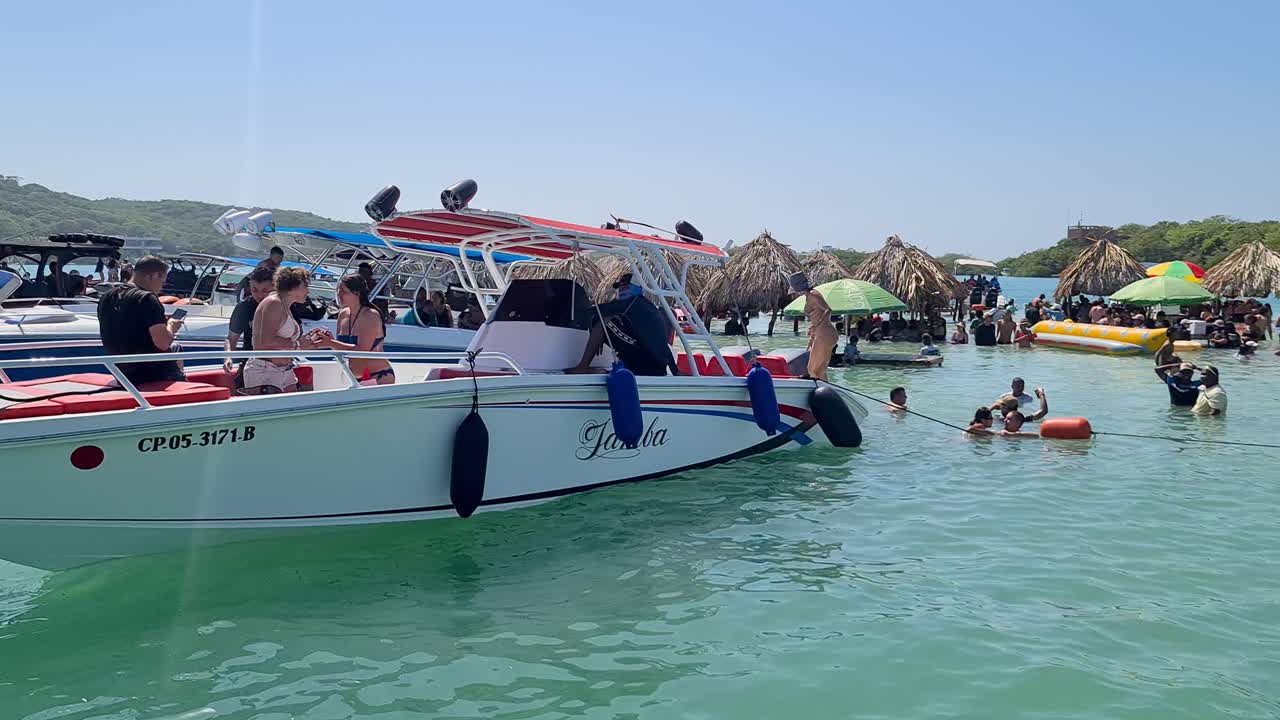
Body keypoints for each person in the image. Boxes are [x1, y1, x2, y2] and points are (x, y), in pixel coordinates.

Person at [96, 256, 186, 385]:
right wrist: (171, 326)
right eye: (162, 282)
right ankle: (178, 388)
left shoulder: (107, 297)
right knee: (175, 347)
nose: (162, 287)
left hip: (122, 372)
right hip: (152, 373)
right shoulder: (147, 299)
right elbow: (163, 343)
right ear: (154, 275)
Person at [567, 273, 677, 376]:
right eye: (620, 288)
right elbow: (662, 343)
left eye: (626, 287)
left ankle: (582, 367)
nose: (621, 290)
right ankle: (626, 368)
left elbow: (592, 313)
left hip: (648, 367)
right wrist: (675, 370)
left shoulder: (631, 304)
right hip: (657, 368)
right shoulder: (646, 306)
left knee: (603, 323)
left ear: (636, 288)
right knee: (606, 321)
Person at [243, 267, 314, 393]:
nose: (308, 291)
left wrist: (311, 340)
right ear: (294, 287)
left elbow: (287, 339)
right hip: (265, 371)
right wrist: (298, 345)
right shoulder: (273, 303)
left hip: (284, 370)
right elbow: (263, 342)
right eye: (306, 286)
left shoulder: (284, 304)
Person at [320, 274, 395, 385]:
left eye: (344, 291)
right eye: (339, 291)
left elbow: (361, 352)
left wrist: (331, 343)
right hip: (354, 378)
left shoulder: (370, 315)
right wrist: (328, 340)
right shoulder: (343, 314)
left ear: (357, 293)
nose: (339, 294)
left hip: (378, 376)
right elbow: (342, 349)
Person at [224, 264, 276, 379]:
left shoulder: (284, 306)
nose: (259, 295)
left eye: (265, 291)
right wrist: (228, 357)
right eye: (255, 290)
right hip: (252, 363)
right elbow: (231, 338)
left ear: (274, 287)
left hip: (280, 363)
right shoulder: (244, 307)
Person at [800, 282, 837, 381]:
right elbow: (818, 315)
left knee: (812, 369)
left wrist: (816, 326)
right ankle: (826, 392)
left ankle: (824, 392)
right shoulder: (809, 295)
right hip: (823, 334)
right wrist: (813, 329)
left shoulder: (812, 294)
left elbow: (828, 310)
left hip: (825, 333)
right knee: (819, 370)